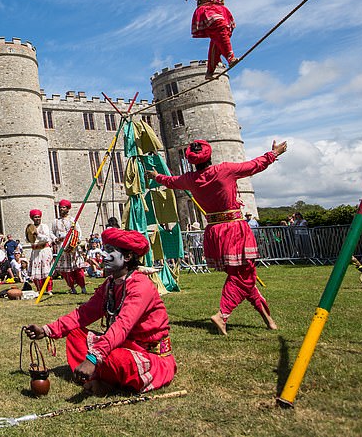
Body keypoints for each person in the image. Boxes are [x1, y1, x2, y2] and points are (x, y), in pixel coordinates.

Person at [146, 138, 286, 335]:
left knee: (242, 276)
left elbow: (171, 182)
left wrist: (156, 176)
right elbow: (254, 165)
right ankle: (223, 314)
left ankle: (268, 319)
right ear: (210, 155)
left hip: (214, 230)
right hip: (233, 228)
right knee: (244, 276)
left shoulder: (190, 179)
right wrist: (274, 154)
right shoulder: (224, 170)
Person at [23, 228, 176, 395]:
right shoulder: (110, 283)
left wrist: (93, 358)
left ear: (127, 257)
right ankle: (101, 376)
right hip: (122, 344)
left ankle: (104, 380)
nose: (102, 255)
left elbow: (122, 326)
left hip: (148, 355)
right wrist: (47, 330)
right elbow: (83, 314)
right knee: (76, 335)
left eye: (110, 251)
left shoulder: (140, 286)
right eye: (104, 249)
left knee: (116, 359)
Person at [53, 200, 88, 294]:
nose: (61, 209)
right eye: (60, 207)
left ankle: (83, 287)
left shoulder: (73, 220)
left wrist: (77, 241)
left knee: (77, 269)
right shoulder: (56, 221)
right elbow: (52, 233)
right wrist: (55, 239)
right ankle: (72, 287)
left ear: (68, 209)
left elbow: (78, 231)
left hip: (72, 246)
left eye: (63, 207)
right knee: (67, 271)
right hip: (62, 247)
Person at [27, 209, 54, 294]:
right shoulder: (30, 228)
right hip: (35, 251)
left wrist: (37, 235)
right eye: (35, 217)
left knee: (46, 270)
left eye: (39, 217)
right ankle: (39, 289)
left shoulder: (44, 226)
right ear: (32, 218)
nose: (37, 218)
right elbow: (27, 239)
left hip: (44, 250)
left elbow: (46, 237)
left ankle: (49, 289)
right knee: (36, 271)